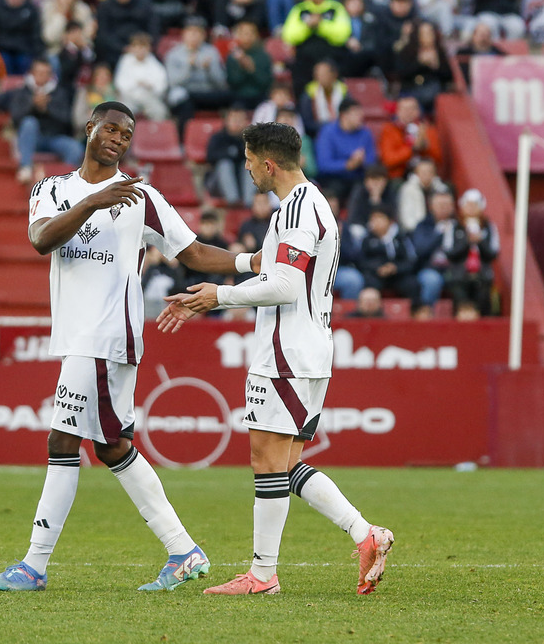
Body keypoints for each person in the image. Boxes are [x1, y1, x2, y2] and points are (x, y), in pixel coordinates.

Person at [0, 100, 255, 594]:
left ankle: (33, 566)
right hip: (78, 336)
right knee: (110, 447)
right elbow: (41, 239)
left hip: (108, 337)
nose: (118, 138)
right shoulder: (53, 189)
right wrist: (91, 203)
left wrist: (250, 262)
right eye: (110, 128)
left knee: (64, 442)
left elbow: (191, 251)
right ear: (89, 128)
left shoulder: (142, 197)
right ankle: (183, 550)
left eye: (126, 134)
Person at [158, 121, 395, 596]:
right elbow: (277, 265)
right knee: (284, 466)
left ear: (268, 163)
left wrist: (218, 297)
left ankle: (263, 576)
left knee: (267, 465)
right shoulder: (312, 204)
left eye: (248, 161)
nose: (245, 168)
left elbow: (285, 285)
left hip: (285, 353)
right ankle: (365, 533)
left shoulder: (294, 211)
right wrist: (235, 266)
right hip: (311, 351)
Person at [0, 59, 82, 183]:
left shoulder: (59, 93)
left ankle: (65, 180)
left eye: (46, 73)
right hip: (32, 138)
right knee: (29, 123)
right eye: (39, 73)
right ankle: (25, 167)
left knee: (75, 148)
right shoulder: (22, 92)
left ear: (50, 75)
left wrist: (46, 109)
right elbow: (16, 118)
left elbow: (67, 120)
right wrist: (33, 106)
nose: (42, 76)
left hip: (55, 137)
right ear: (32, 74)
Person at [282, 0, 350, 96]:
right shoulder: (300, 9)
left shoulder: (335, 8)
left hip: (331, 56)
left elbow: (342, 35)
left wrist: (321, 25)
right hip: (305, 59)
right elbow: (289, 35)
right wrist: (307, 26)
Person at [165, 16, 229, 128]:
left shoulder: (211, 51)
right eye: (191, 32)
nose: (194, 36)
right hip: (186, 95)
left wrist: (209, 69)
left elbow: (221, 83)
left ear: (204, 35)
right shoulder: (174, 54)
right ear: (184, 34)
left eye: (198, 32)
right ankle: (184, 140)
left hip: (207, 93)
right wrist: (189, 66)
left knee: (230, 97)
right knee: (184, 103)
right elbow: (174, 83)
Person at [446, 188, 499, 317]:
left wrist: (480, 242)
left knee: (483, 299)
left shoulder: (488, 226)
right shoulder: (454, 226)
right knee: (460, 298)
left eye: (474, 205)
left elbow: (493, 254)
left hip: (482, 275)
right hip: (459, 274)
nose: (471, 209)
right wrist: (467, 242)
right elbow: (450, 253)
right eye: (468, 205)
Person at [410, 187, 457, 316]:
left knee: (465, 279)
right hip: (429, 268)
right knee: (432, 281)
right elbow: (421, 249)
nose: (443, 208)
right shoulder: (424, 226)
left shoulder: (458, 225)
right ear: (431, 207)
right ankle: (427, 316)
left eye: (447, 204)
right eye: (440, 205)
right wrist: (440, 234)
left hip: (453, 269)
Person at [315, 98, 375, 198]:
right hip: (334, 179)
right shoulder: (328, 132)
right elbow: (323, 164)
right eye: (356, 114)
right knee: (334, 189)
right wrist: (348, 165)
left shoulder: (365, 133)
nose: (361, 117)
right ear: (344, 115)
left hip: (358, 177)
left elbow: (372, 161)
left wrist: (361, 161)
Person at [0, 0, 43, 78]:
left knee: (26, 64)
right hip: (2, 49)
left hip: (25, 49)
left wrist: (39, 55)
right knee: (4, 64)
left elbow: (36, 34)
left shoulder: (31, 10)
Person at [206, 107, 255, 207]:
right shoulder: (218, 137)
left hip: (244, 182)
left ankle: (249, 202)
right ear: (227, 121)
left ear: (246, 122)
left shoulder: (250, 139)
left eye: (240, 119)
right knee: (225, 164)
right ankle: (233, 202)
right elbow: (210, 157)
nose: (236, 123)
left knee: (249, 165)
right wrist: (230, 154)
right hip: (219, 183)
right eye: (234, 119)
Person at [114, 33, 169, 121]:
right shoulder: (125, 61)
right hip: (129, 98)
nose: (141, 50)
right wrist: (136, 84)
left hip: (149, 97)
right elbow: (119, 83)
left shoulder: (154, 63)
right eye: (137, 46)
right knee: (121, 112)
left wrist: (150, 86)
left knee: (160, 111)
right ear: (132, 48)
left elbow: (162, 85)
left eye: (144, 47)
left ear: (149, 48)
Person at [225, 19, 273, 110]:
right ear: (238, 35)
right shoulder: (232, 57)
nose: (248, 37)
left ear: (256, 35)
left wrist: (252, 69)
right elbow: (232, 83)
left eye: (251, 33)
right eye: (244, 33)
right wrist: (243, 67)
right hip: (238, 97)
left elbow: (265, 82)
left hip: (260, 96)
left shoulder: (263, 56)